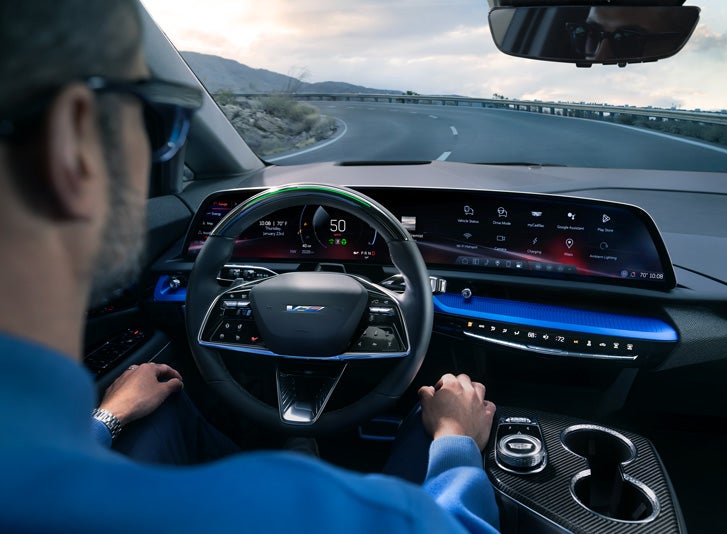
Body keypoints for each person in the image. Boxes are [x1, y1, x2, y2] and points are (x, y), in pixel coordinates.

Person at [0, 1, 500, 532]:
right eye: (155, 122)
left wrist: (105, 419)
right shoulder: (312, 513)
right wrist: (456, 441)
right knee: (427, 429)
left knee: (163, 408)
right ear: (73, 144)